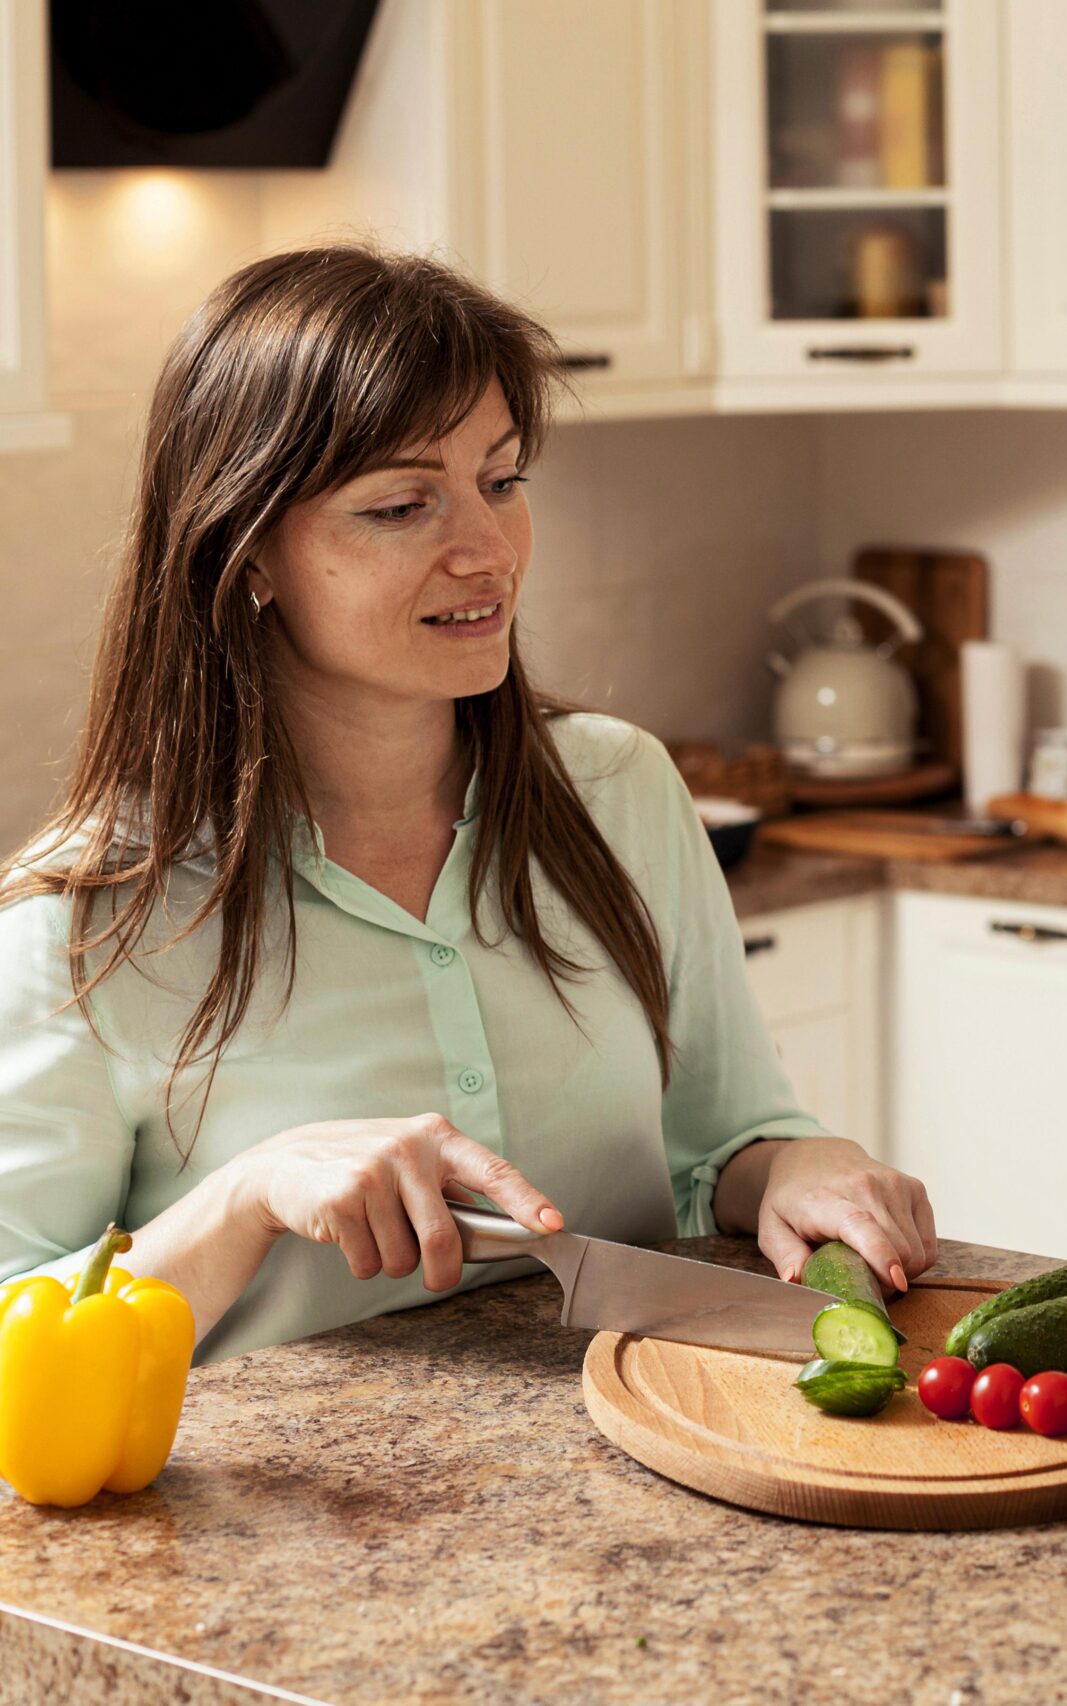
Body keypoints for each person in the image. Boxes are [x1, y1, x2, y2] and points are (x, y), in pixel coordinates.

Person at [0, 247, 937, 1361]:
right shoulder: (86, 917)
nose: (488, 550)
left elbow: (723, 1138)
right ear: (247, 553)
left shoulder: (618, 790)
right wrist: (244, 1197)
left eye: (501, 480)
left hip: (646, 1463)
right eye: (402, 505)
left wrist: (798, 1161)